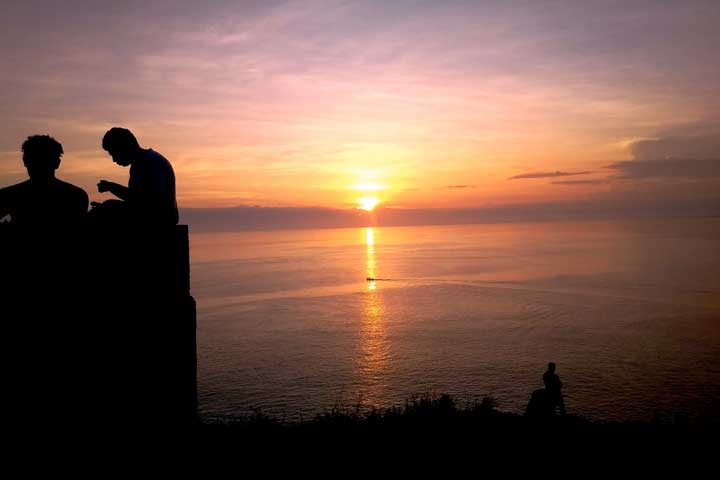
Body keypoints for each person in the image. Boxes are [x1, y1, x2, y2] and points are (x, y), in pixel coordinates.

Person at [93, 127, 178, 226]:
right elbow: (138, 198)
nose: (114, 160)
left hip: (159, 219)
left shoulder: (148, 163)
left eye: (114, 153)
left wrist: (111, 189)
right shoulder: (144, 161)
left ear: (124, 148)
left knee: (107, 207)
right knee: (107, 207)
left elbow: (147, 202)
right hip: (159, 216)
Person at [0, 135, 88, 227]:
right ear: (57, 163)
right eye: (36, 159)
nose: (39, 165)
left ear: (25, 161)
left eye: (43, 159)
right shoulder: (75, 195)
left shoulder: (9, 195)